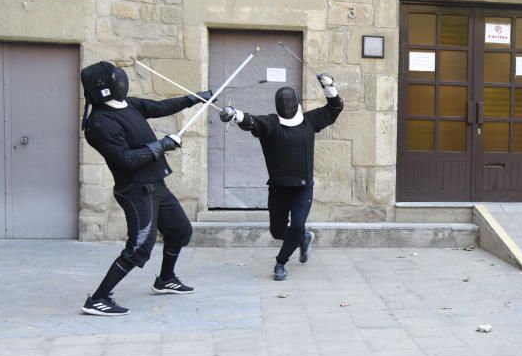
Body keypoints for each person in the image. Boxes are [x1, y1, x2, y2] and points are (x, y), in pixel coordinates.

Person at [80, 61, 213, 316]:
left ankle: (165, 279)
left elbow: (159, 107)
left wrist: (193, 99)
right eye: (117, 79)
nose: (123, 81)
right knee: (140, 245)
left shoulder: (128, 105)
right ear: (105, 88)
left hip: (156, 184)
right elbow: (124, 159)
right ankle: (97, 299)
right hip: (135, 190)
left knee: (179, 230)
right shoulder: (99, 123)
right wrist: (162, 145)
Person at [220, 73, 344, 281]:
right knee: (277, 231)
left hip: (303, 188)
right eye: (282, 102)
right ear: (277, 104)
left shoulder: (309, 121)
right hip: (278, 189)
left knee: (296, 225)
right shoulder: (271, 123)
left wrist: (329, 86)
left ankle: (281, 263)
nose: (286, 105)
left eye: (289, 101)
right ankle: (303, 239)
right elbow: (251, 122)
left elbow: (335, 109)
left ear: (295, 102)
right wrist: (234, 115)